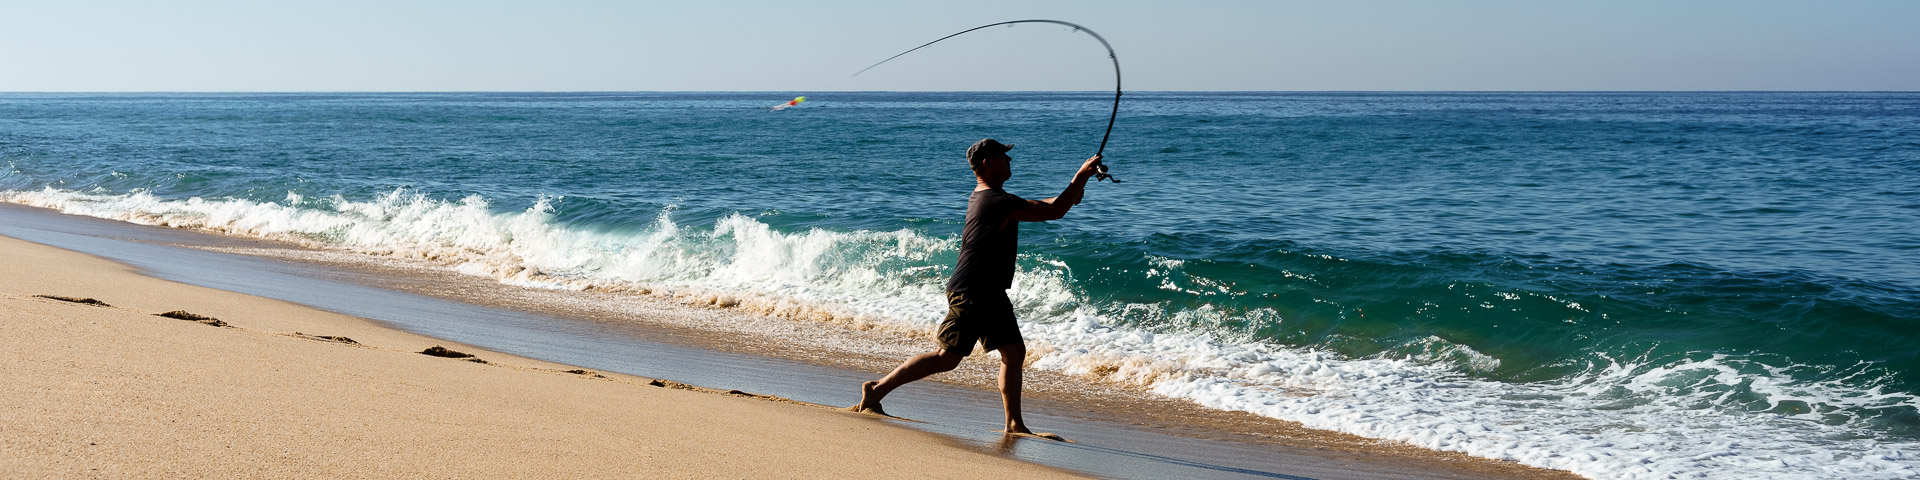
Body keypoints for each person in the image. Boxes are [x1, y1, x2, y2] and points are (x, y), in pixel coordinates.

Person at [857, 138, 1103, 435]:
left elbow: (1053, 205)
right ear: (987, 162)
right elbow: (1054, 211)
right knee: (946, 358)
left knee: (1014, 353)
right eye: (1003, 156)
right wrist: (1080, 176)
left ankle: (1014, 423)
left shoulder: (990, 197)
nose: (1010, 160)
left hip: (989, 290)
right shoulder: (997, 202)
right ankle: (876, 389)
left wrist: (1078, 187)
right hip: (972, 290)